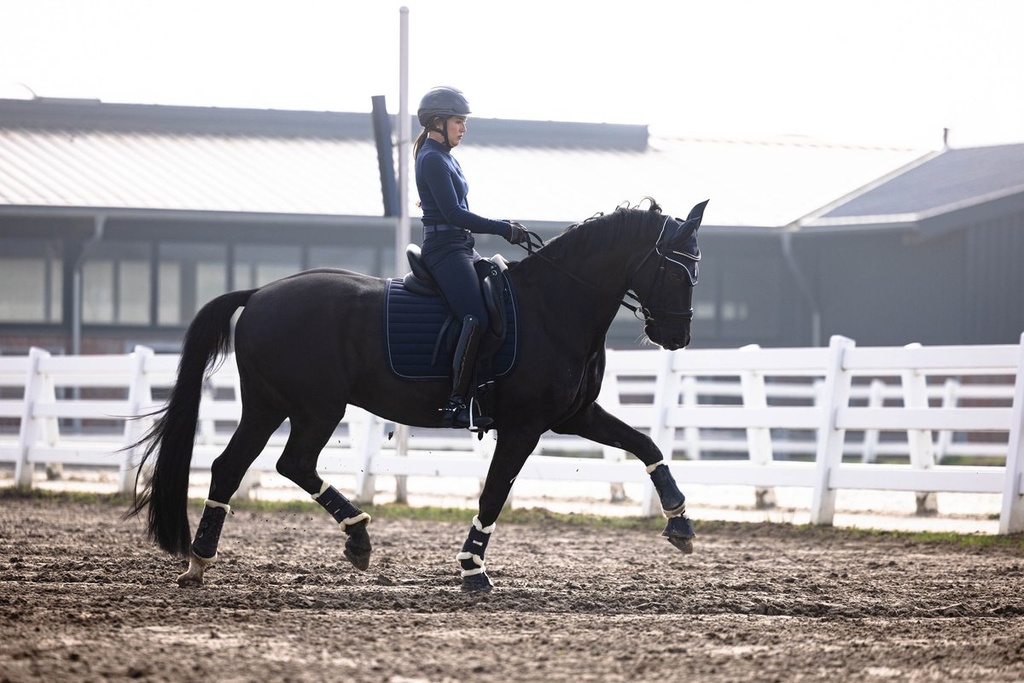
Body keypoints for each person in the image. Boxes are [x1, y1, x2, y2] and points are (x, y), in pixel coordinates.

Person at [414, 86, 529, 430]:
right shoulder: (432, 158)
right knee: (475, 317)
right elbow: (453, 213)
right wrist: (503, 228)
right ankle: (457, 400)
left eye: (463, 122)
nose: (464, 128)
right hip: (444, 249)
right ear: (437, 122)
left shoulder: (446, 156)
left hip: (461, 247)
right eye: (458, 121)